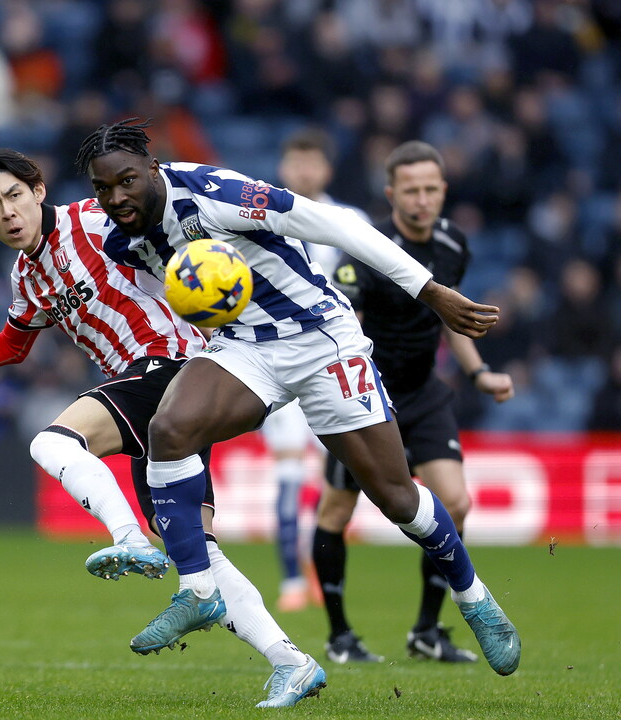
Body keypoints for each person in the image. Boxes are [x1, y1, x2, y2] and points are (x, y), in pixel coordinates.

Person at [78, 118, 521, 680]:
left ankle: (473, 595)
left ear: (153, 168)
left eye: (128, 182)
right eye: (104, 189)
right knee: (169, 429)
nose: (117, 197)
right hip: (246, 349)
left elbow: (333, 224)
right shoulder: (126, 238)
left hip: (320, 340)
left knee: (396, 498)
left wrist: (428, 291)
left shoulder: (218, 195)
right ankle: (197, 588)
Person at [0, 147, 324, 708]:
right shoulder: (28, 276)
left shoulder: (98, 217)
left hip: (174, 367)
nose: (8, 212)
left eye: (13, 196)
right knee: (195, 553)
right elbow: (11, 346)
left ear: (37, 190)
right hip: (150, 401)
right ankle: (292, 663)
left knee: (53, 440)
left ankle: (126, 537)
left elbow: (174, 219)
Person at [315, 140, 515, 665]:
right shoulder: (368, 248)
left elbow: (453, 321)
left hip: (425, 393)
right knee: (336, 509)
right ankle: (339, 636)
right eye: (411, 191)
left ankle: (427, 630)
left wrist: (480, 373)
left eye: (431, 189)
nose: (422, 200)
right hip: (367, 396)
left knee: (457, 501)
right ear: (391, 193)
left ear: (443, 191)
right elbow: (343, 325)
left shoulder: (453, 244)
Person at [265, 128, 370, 613]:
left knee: (337, 479)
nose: (304, 171)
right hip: (280, 364)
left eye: (313, 162)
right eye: (296, 162)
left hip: (336, 365)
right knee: (288, 474)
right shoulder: (258, 215)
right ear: (284, 167)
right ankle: (291, 578)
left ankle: (319, 571)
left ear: (326, 169)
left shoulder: (349, 221)